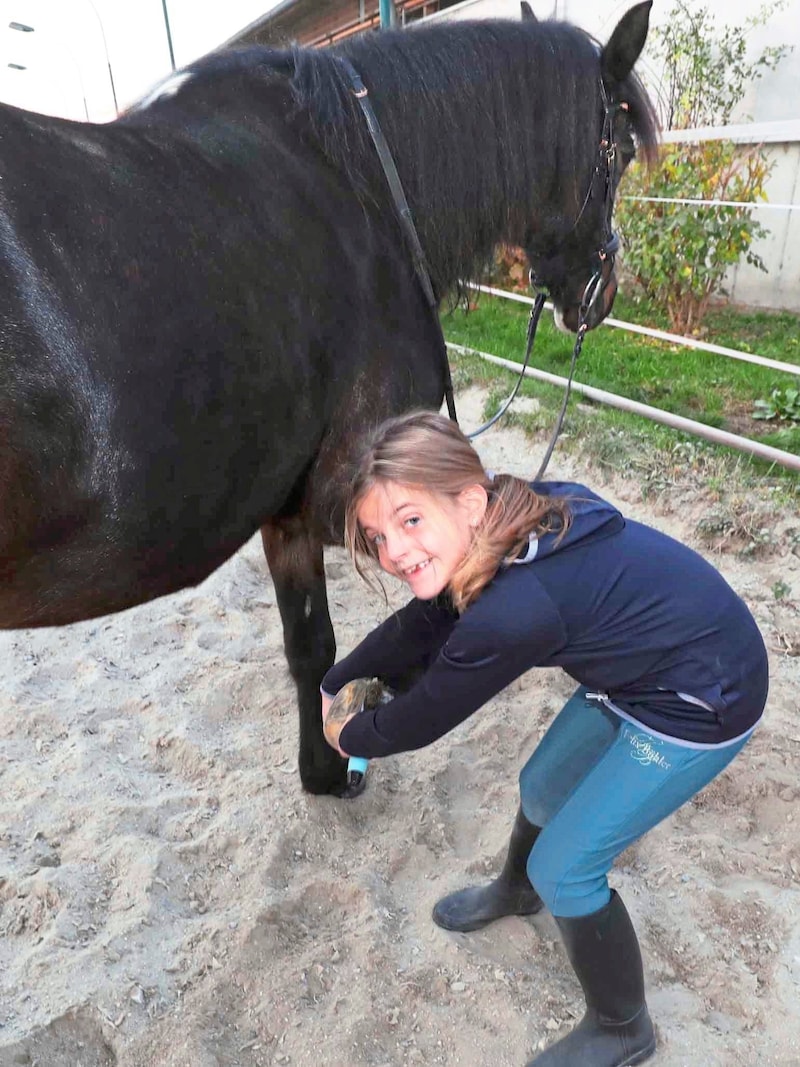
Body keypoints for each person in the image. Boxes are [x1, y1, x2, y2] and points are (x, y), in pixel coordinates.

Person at [321, 411, 768, 1067]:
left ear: (468, 500)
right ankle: (515, 890)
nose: (393, 551)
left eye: (410, 520)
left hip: (703, 698)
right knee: (542, 786)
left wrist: (347, 732)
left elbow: (421, 716)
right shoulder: (503, 523)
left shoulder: (516, 610)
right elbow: (421, 623)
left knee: (567, 866)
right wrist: (338, 676)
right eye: (377, 534)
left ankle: (622, 1026)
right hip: (644, 670)